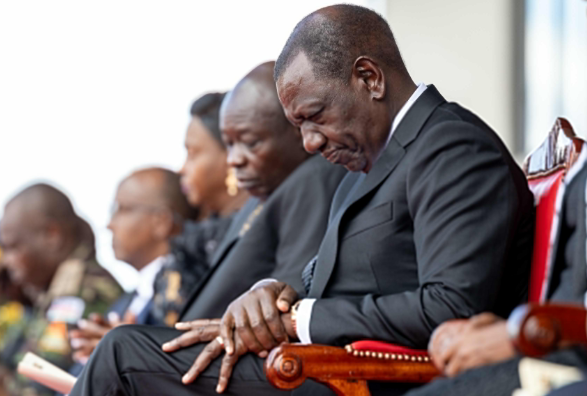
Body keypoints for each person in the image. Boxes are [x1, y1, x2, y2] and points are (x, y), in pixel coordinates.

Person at [69, 5, 534, 396]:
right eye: (298, 128)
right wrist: (272, 295)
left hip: (366, 378)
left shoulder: (450, 147)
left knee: (122, 355)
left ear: (368, 78)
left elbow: (450, 308)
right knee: (129, 348)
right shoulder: (362, 169)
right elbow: (328, 286)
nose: (309, 143)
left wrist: (299, 319)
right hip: (315, 364)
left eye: (315, 116)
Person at [0, 183, 122, 396]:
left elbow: (44, 388)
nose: (8, 262)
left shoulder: (81, 293)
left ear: (52, 235)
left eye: (13, 247)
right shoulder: (56, 291)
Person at [68, 167, 198, 364]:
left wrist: (127, 351)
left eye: (121, 209)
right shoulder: (124, 303)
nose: (109, 225)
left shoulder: (191, 288)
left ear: (161, 221)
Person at [152, 92, 249, 326]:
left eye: (193, 153)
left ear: (231, 153)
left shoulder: (252, 231)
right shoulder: (196, 238)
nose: (182, 169)